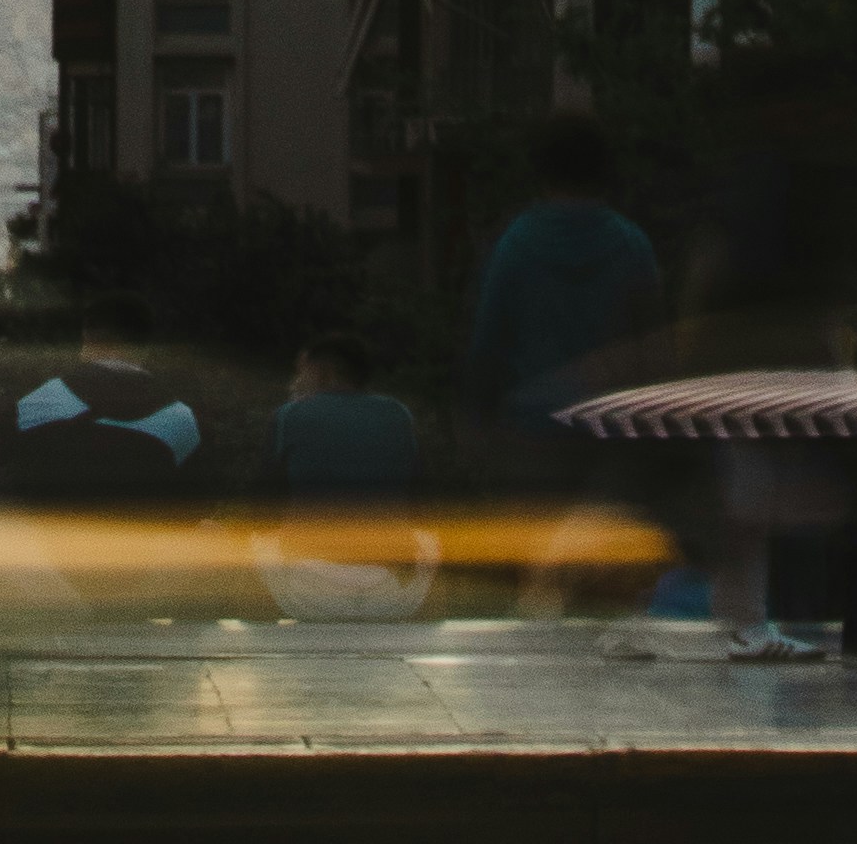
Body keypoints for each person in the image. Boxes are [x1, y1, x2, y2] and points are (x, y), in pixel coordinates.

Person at [461, 108, 667, 452]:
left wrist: (476, 426)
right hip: (610, 436)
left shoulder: (515, 245)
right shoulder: (632, 245)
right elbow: (655, 348)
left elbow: (487, 346)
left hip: (534, 435)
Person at [258, 326, 435, 621]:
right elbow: (423, 502)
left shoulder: (288, 416)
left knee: (252, 538)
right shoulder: (399, 415)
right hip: (393, 595)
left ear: (322, 373)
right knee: (428, 537)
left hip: (306, 595)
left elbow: (260, 509)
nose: (295, 382)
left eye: (300, 372)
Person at [3, 311, 206, 509]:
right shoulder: (183, 418)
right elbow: (193, 505)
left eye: (86, 343)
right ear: (143, 351)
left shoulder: (44, 399)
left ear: (101, 347)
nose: (81, 354)